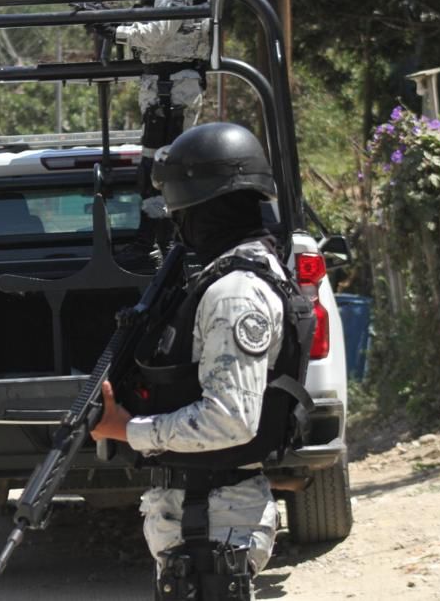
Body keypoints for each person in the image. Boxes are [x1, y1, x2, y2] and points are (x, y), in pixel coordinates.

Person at [92, 123, 315, 600]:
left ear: (200, 207)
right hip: (204, 517)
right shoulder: (238, 273)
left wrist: (126, 429)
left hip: (212, 526)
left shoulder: (236, 293)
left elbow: (230, 420)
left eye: (180, 211)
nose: (177, 224)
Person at [107, 0, 211, 268]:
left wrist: (115, 31)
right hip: (169, 89)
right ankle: (158, 244)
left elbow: (156, 32)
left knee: (162, 172)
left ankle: (158, 247)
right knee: (159, 169)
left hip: (172, 91)